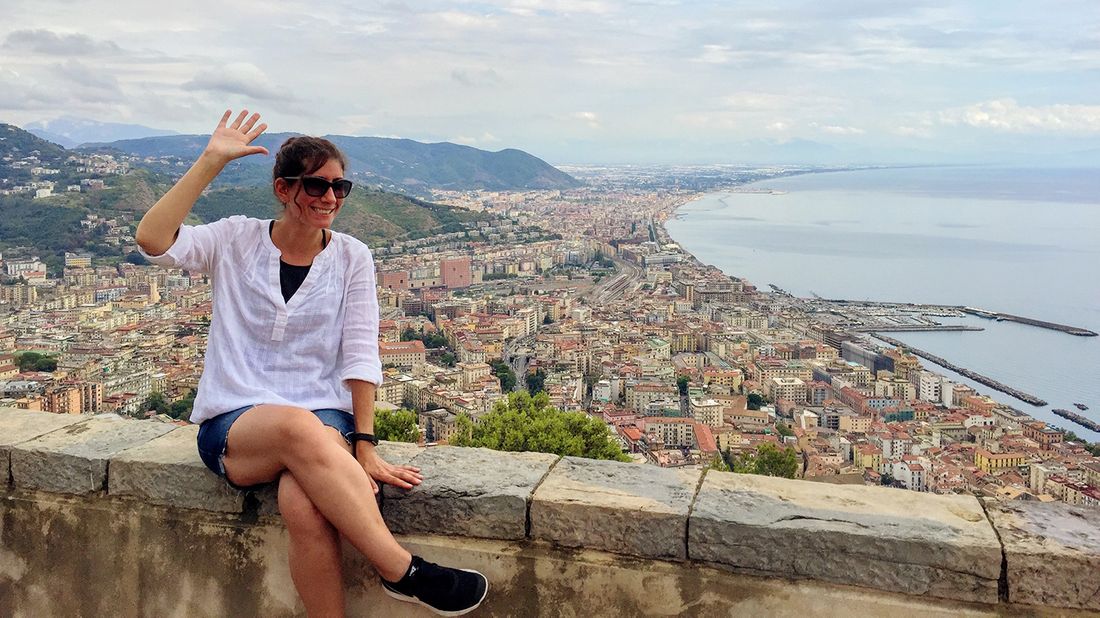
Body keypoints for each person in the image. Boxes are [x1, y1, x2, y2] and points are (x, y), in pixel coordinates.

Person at [135, 110, 488, 617]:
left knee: (303, 505)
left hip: (325, 422)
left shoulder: (352, 257)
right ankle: (403, 572)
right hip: (236, 426)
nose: (330, 198)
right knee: (299, 430)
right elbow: (152, 239)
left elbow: (360, 352)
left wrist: (364, 444)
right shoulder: (234, 239)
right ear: (283, 188)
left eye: (339, 187)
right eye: (317, 185)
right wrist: (211, 161)